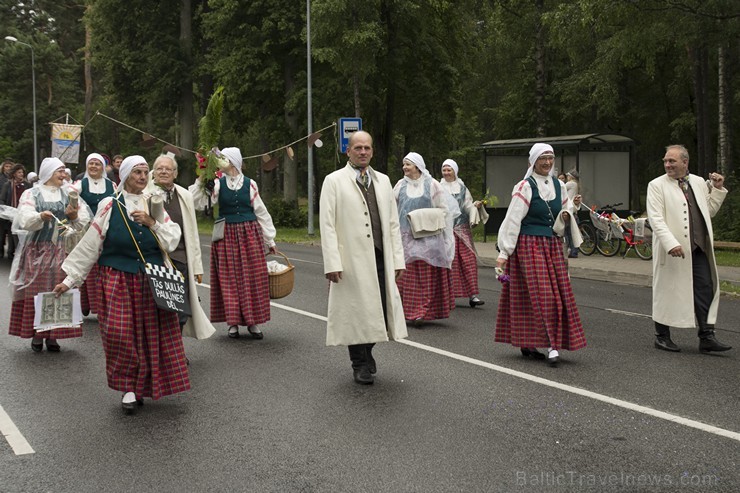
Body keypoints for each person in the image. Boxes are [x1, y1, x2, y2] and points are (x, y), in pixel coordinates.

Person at [53, 155, 187, 414]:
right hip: (117, 276)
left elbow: (173, 239)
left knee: (151, 333)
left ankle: (145, 385)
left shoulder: (153, 202)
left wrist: (152, 222)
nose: (142, 176)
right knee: (120, 333)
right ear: (125, 176)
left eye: (145, 172)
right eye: (137, 172)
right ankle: (128, 386)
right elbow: (91, 244)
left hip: (151, 277)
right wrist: (70, 280)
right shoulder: (109, 204)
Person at [320, 130, 407, 385]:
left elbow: (393, 223)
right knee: (356, 312)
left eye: (367, 148)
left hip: (380, 257)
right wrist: (332, 262)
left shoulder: (383, 180)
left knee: (379, 309)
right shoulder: (334, 180)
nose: (363, 152)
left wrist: (398, 259)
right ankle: (359, 363)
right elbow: (327, 225)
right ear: (348, 151)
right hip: (351, 261)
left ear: (372, 151)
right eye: (357, 148)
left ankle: (368, 351)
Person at [495, 143, 586, 366]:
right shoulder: (525, 186)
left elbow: (564, 212)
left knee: (555, 295)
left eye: (550, 158)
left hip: (553, 246)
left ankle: (535, 341)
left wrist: (570, 212)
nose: (547, 162)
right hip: (529, 245)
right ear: (533, 162)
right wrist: (504, 252)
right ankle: (551, 344)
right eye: (542, 158)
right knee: (542, 295)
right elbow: (513, 219)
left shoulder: (560, 186)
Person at [646, 145, 731, 354]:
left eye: (672, 161)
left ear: (685, 162)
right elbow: (655, 219)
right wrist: (671, 243)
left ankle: (707, 337)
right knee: (666, 290)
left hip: (699, 248)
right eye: (665, 161)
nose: (667, 165)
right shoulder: (657, 185)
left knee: (704, 290)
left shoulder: (699, 182)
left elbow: (707, 211)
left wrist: (718, 190)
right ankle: (662, 337)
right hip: (672, 250)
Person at [190, 147, 276, 339]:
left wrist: (269, 239)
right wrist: (203, 180)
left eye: (224, 160)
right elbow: (199, 203)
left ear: (234, 161)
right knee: (229, 279)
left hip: (249, 234)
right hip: (226, 234)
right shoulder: (218, 184)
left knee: (252, 278)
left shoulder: (250, 184)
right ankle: (233, 323)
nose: (221, 163)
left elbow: (261, 212)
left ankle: (252, 322)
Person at [8, 157, 91, 352]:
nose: (63, 175)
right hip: (36, 251)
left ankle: (53, 335)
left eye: (63, 171)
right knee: (37, 292)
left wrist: (74, 217)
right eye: (59, 171)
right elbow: (24, 219)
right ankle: (38, 334)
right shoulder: (32, 193)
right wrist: (39, 216)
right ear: (48, 173)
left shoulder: (69, 193)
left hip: (59, 250)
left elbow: (82, 221)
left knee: (57, 291)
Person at [150, 154, 215, 341]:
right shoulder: (145, 193)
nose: (163, 171)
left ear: (175, 173)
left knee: (180, 310)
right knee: (159, 310)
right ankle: (159, 351)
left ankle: (175, 351)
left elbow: (192, 233)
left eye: (168, 169)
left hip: (180, 261)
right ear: (153, 173)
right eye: (159, 168)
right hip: (154, 260)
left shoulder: (184, 195)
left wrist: (197, 266)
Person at [393, 152, 456, 324]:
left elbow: (444, 210)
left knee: (425, 277)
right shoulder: (400, 185)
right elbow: (392, 208)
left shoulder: (432, 185)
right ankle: (406, 312)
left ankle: (421, 312)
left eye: (408, 164)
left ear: (418, 166)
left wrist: (424, 218)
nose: (405, 167)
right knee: (407, 277)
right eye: (404, 164)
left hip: (428, 238)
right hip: (406, 237)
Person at [69, 153, 117, 316]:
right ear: (87, 166)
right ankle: (84, 304)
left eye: (97, 164)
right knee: (85, 265)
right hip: (86, 230)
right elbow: (69, 198)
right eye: (91, 164)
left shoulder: (112, 185)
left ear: (103, 167)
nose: (94, 167)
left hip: (106, 229)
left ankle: (101, 306)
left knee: (102, 266)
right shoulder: (80, 184)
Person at [439, 159, 487, 308]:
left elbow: (467, 205)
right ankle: (447, 295)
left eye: (449, 170)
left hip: (461, 229)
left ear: (455, 171)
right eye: (444, 170)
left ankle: (473, 295)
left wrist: (475, 206)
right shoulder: (438, 187)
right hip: (445, 230)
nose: (446, 173)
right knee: (448, 262)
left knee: (468, 261)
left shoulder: (462, 188)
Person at [0, 164, 33, 260]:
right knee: (12, 234)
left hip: (24, 213)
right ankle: (11, 254)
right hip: (11, 215)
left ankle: (21, 255)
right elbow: (2, 199)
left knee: (22, 235)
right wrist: (6, 211)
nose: (21, 174)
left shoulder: (27, 185)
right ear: (14, 174)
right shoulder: (8, 185)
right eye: (19, 172)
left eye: (22, 172)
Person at [0, 159, 15, 257]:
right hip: (2, 207)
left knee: (11, 231)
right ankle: (0, 250)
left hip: (12, 208)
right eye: (6, 166)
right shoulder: (1, 179)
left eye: (10, 167)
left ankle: (11, 251)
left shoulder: (14, 180)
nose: (8, 168)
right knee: (1, 232)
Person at [564, 169, 580, 258]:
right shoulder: (576, 184)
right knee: (572, 232)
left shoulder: (571, 183)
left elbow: (561, 187)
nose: (567, 177)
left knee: (568, 233)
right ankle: (573, 251)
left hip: (568, 209)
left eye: (568, 175)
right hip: (573, 210)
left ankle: (572, 251)